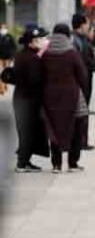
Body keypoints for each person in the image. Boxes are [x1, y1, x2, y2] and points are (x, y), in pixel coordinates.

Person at [41, 24, 89, 172]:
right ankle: (73, 163)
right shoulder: (72, 52)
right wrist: (82, 88)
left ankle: (56, 164)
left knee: (54, 127)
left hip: (49, 95)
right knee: (77, 125)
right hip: (72, 94)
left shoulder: (44, 52)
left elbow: (38, 72)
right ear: (68, 35)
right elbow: (82, 75)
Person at [12, 26, 50, 172]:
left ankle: (25, 161)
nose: (44, 41)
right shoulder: (32, 58)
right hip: (29, 101)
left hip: (22, 98)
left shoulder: (22, 55)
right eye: (40, 39)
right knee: (28, 132)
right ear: (31, 43)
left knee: (27, 131)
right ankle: (22, 164)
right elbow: (36, 79)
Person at [71, 13, 95, 149]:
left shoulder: (82, 40)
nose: (89, 26)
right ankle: (80, 142)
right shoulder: (76, 41)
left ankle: (81, 141)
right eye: (87, 24)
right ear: (81, 25)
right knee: (81, 112)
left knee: (83, 111)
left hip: (85, 80)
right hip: (80, 81)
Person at [0, 23, 17, 95]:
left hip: (7, 57)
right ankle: (2, 88)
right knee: (0, 71)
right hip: (0, 58)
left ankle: (4, 84)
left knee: (6, 71)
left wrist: (12, 56)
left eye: (5, 28)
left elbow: (14, 47)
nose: (3, 29)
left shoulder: (9, 36)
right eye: (2, 28)